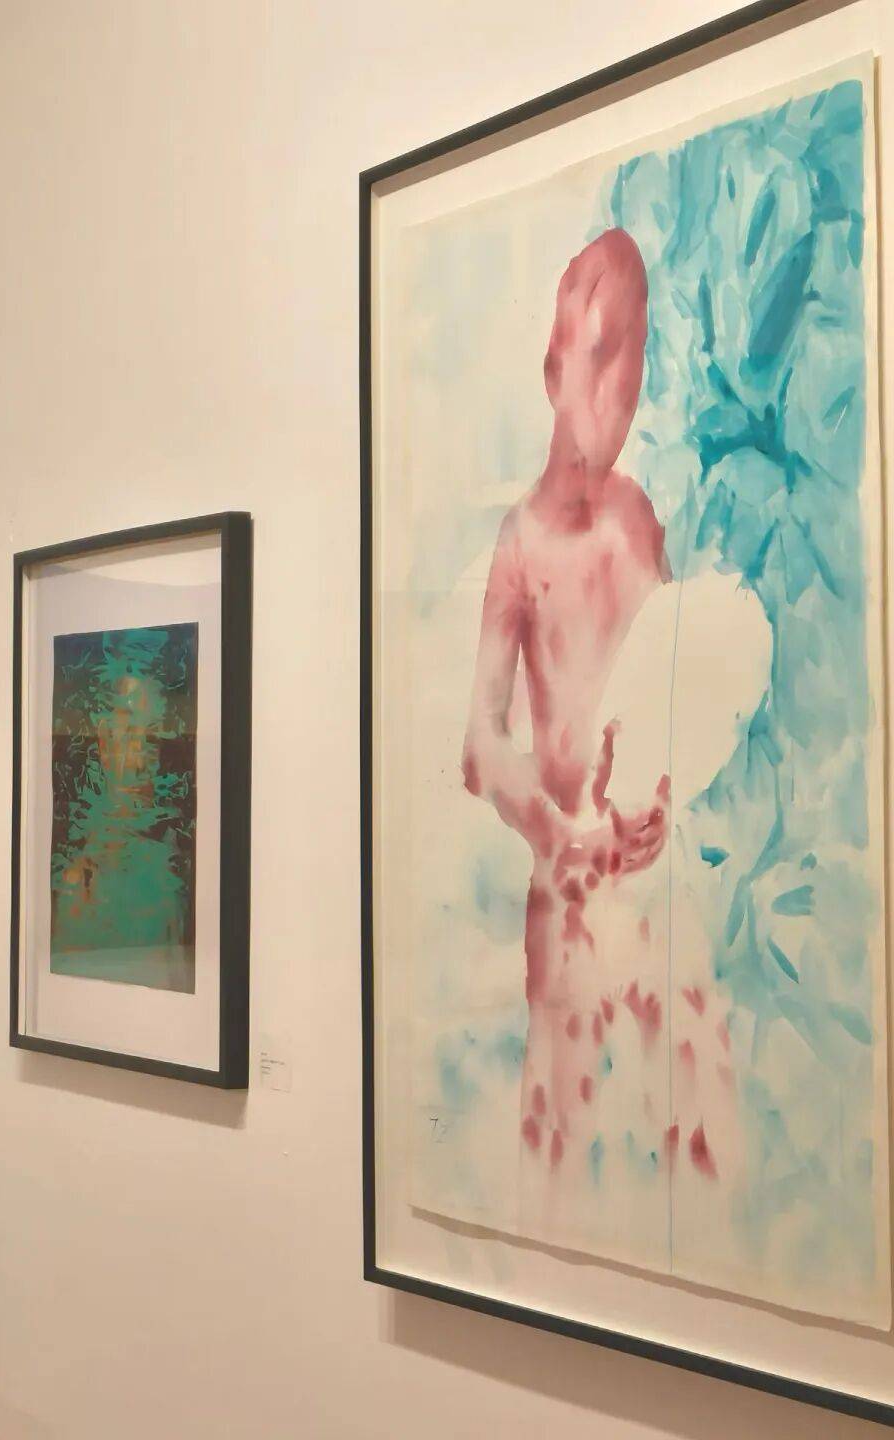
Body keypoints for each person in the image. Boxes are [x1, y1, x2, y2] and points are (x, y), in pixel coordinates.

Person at [461, 229, 673, 1204]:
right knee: (559, 1143)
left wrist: (659, 800)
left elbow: (670, 689)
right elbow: (480, 740)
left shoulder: (638, 522)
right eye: (598, 359)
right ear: (553, 372)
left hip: (646, 902)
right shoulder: (522, 539)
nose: (615, 398)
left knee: (651, 1155)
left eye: (632, 365)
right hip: (563, 891)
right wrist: (555, 833)